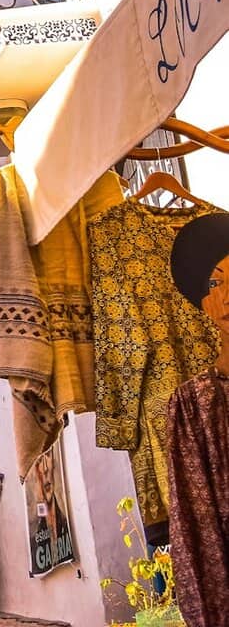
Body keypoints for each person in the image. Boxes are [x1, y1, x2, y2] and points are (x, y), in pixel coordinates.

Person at [164, 213, 229, 627]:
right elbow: (197, 535)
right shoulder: (195, 405)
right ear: (202, 301)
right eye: (215, 283)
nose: (228, 297)